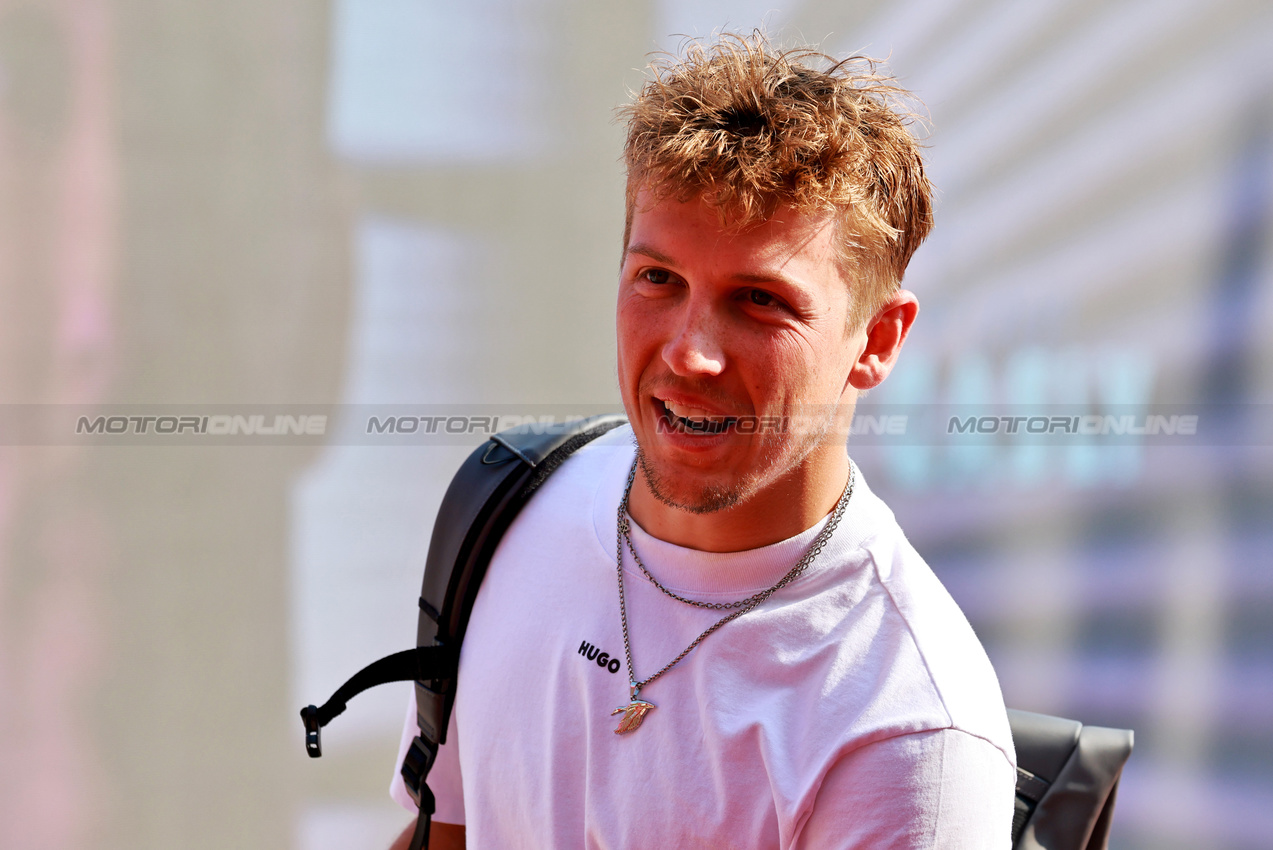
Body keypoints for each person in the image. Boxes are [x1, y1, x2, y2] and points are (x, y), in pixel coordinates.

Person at [388, 33, 1015, 849]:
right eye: (658, 279)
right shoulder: (504, 508)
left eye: (759, 300)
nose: (689, 353)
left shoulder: (911, 735)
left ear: (878, 340)